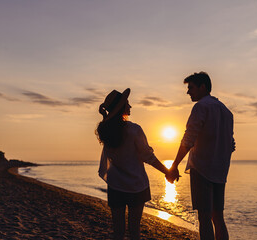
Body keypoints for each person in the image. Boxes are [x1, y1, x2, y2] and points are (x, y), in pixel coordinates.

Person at [166, 72, 235, 240]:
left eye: (191, 88)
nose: (188, 92)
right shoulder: (226, 112)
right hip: (220, 170)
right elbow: (231, 144)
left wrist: (174, 165)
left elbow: (188, 139)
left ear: (202, 87)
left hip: (202, 169)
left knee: (204, 217)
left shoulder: (201, 107)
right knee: (218, 217)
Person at [96, 88, 170, 240]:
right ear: (122, 107)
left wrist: (105, 116)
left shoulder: (106, 132)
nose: (130, 107)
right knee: (134, 232)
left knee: (118, 232)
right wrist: (167, 172)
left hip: (116, 186)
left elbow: (108, 124)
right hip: (137, 186)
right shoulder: (134, 130)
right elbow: (148, 156)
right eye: (127, 104)